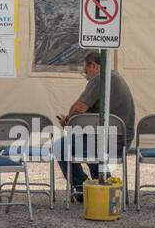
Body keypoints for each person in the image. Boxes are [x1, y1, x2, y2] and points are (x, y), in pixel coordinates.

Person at [56, 51, 136, 201]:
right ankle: (102, 183)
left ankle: (81, 189)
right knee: (88, 143)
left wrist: (68, 119)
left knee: (61, 146)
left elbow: (78, 109)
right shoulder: (116, 77)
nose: (85, 75)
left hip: (105, 143)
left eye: (85, 71)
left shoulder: (101, 78)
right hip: (121, 143)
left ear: (93, 65)